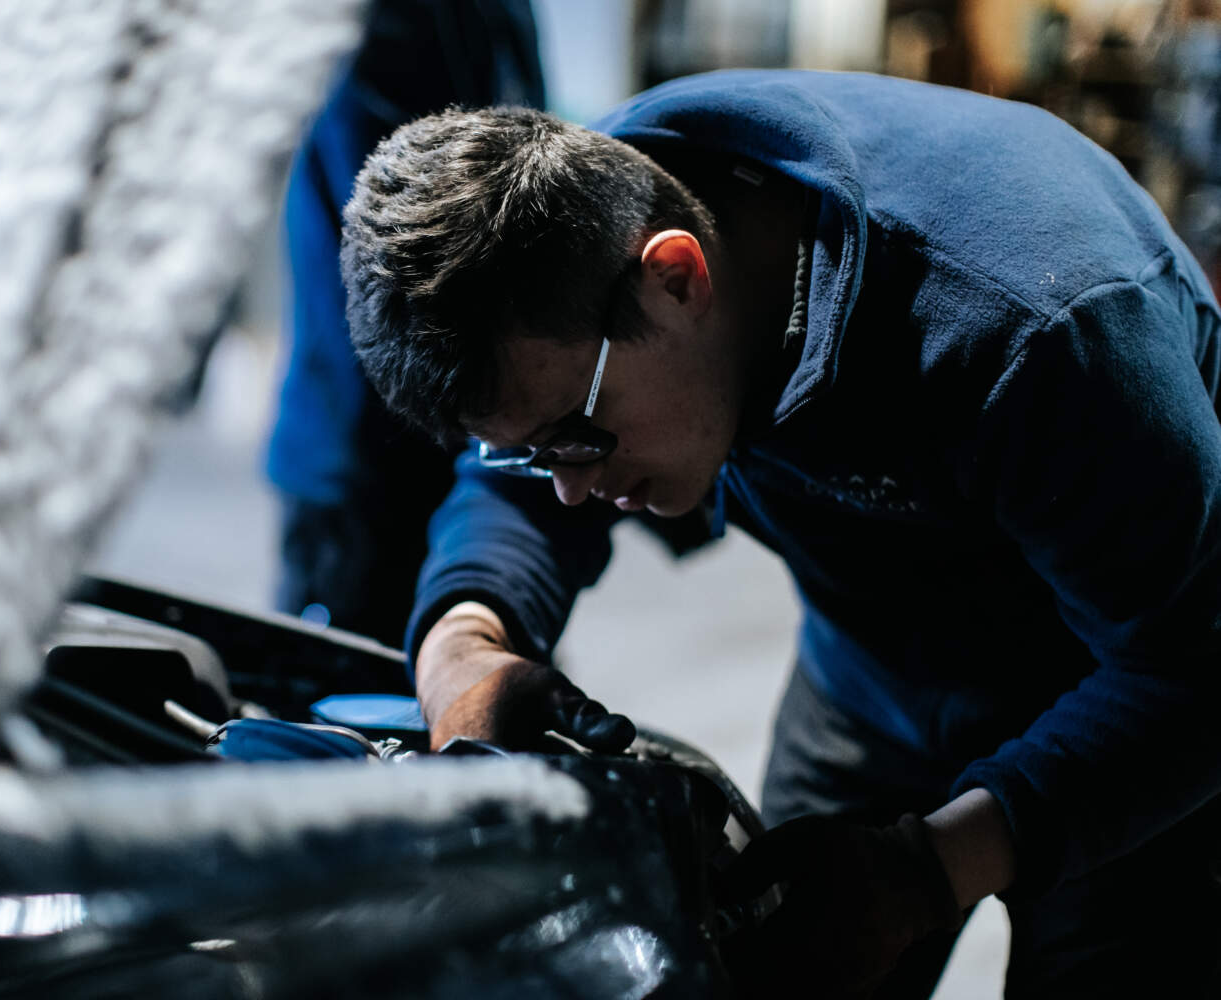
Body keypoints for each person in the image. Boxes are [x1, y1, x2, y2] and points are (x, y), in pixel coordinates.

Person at [340, 70, 1221, 997]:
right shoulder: (567, 247)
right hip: (869, 681)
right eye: (532, 453)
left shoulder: (1037, 325)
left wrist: (931, 869)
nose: (569, 490)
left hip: (1128, 703)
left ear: (676, 278)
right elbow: (515, 478)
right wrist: (464, 649)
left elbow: (1192, 666)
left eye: (575, 438)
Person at [265, 0, 544, 646]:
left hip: (445, 441)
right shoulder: (398, 18)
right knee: (348, 717)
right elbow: (413, 242)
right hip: (371, 453)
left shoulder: (499, 13)